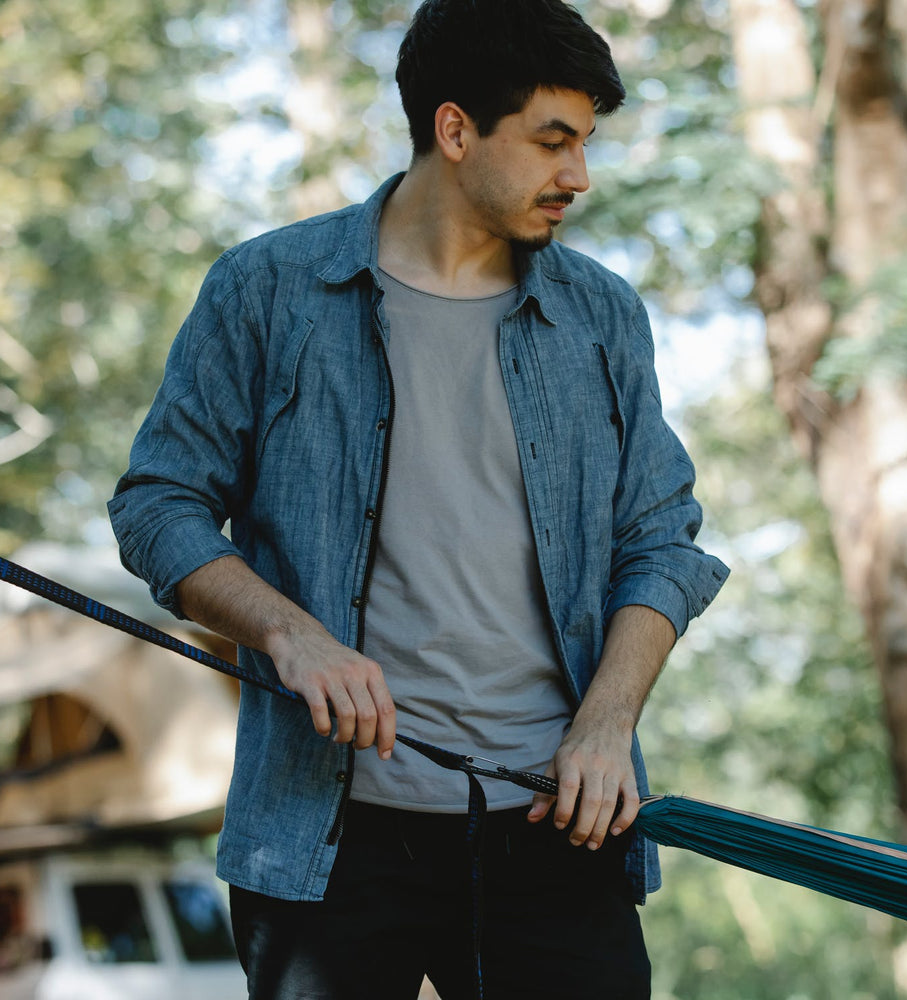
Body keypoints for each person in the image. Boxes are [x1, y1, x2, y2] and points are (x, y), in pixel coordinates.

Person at [108, 1, 729, 997]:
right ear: (454, 130)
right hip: (329, 837)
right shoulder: (267, 289)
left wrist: (609, 721)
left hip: (554, 821)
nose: (578, 176)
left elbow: (661, 542)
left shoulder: (600, 314)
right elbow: (157, 505)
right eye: (552, 142)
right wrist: (290, 634)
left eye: (585, 144)